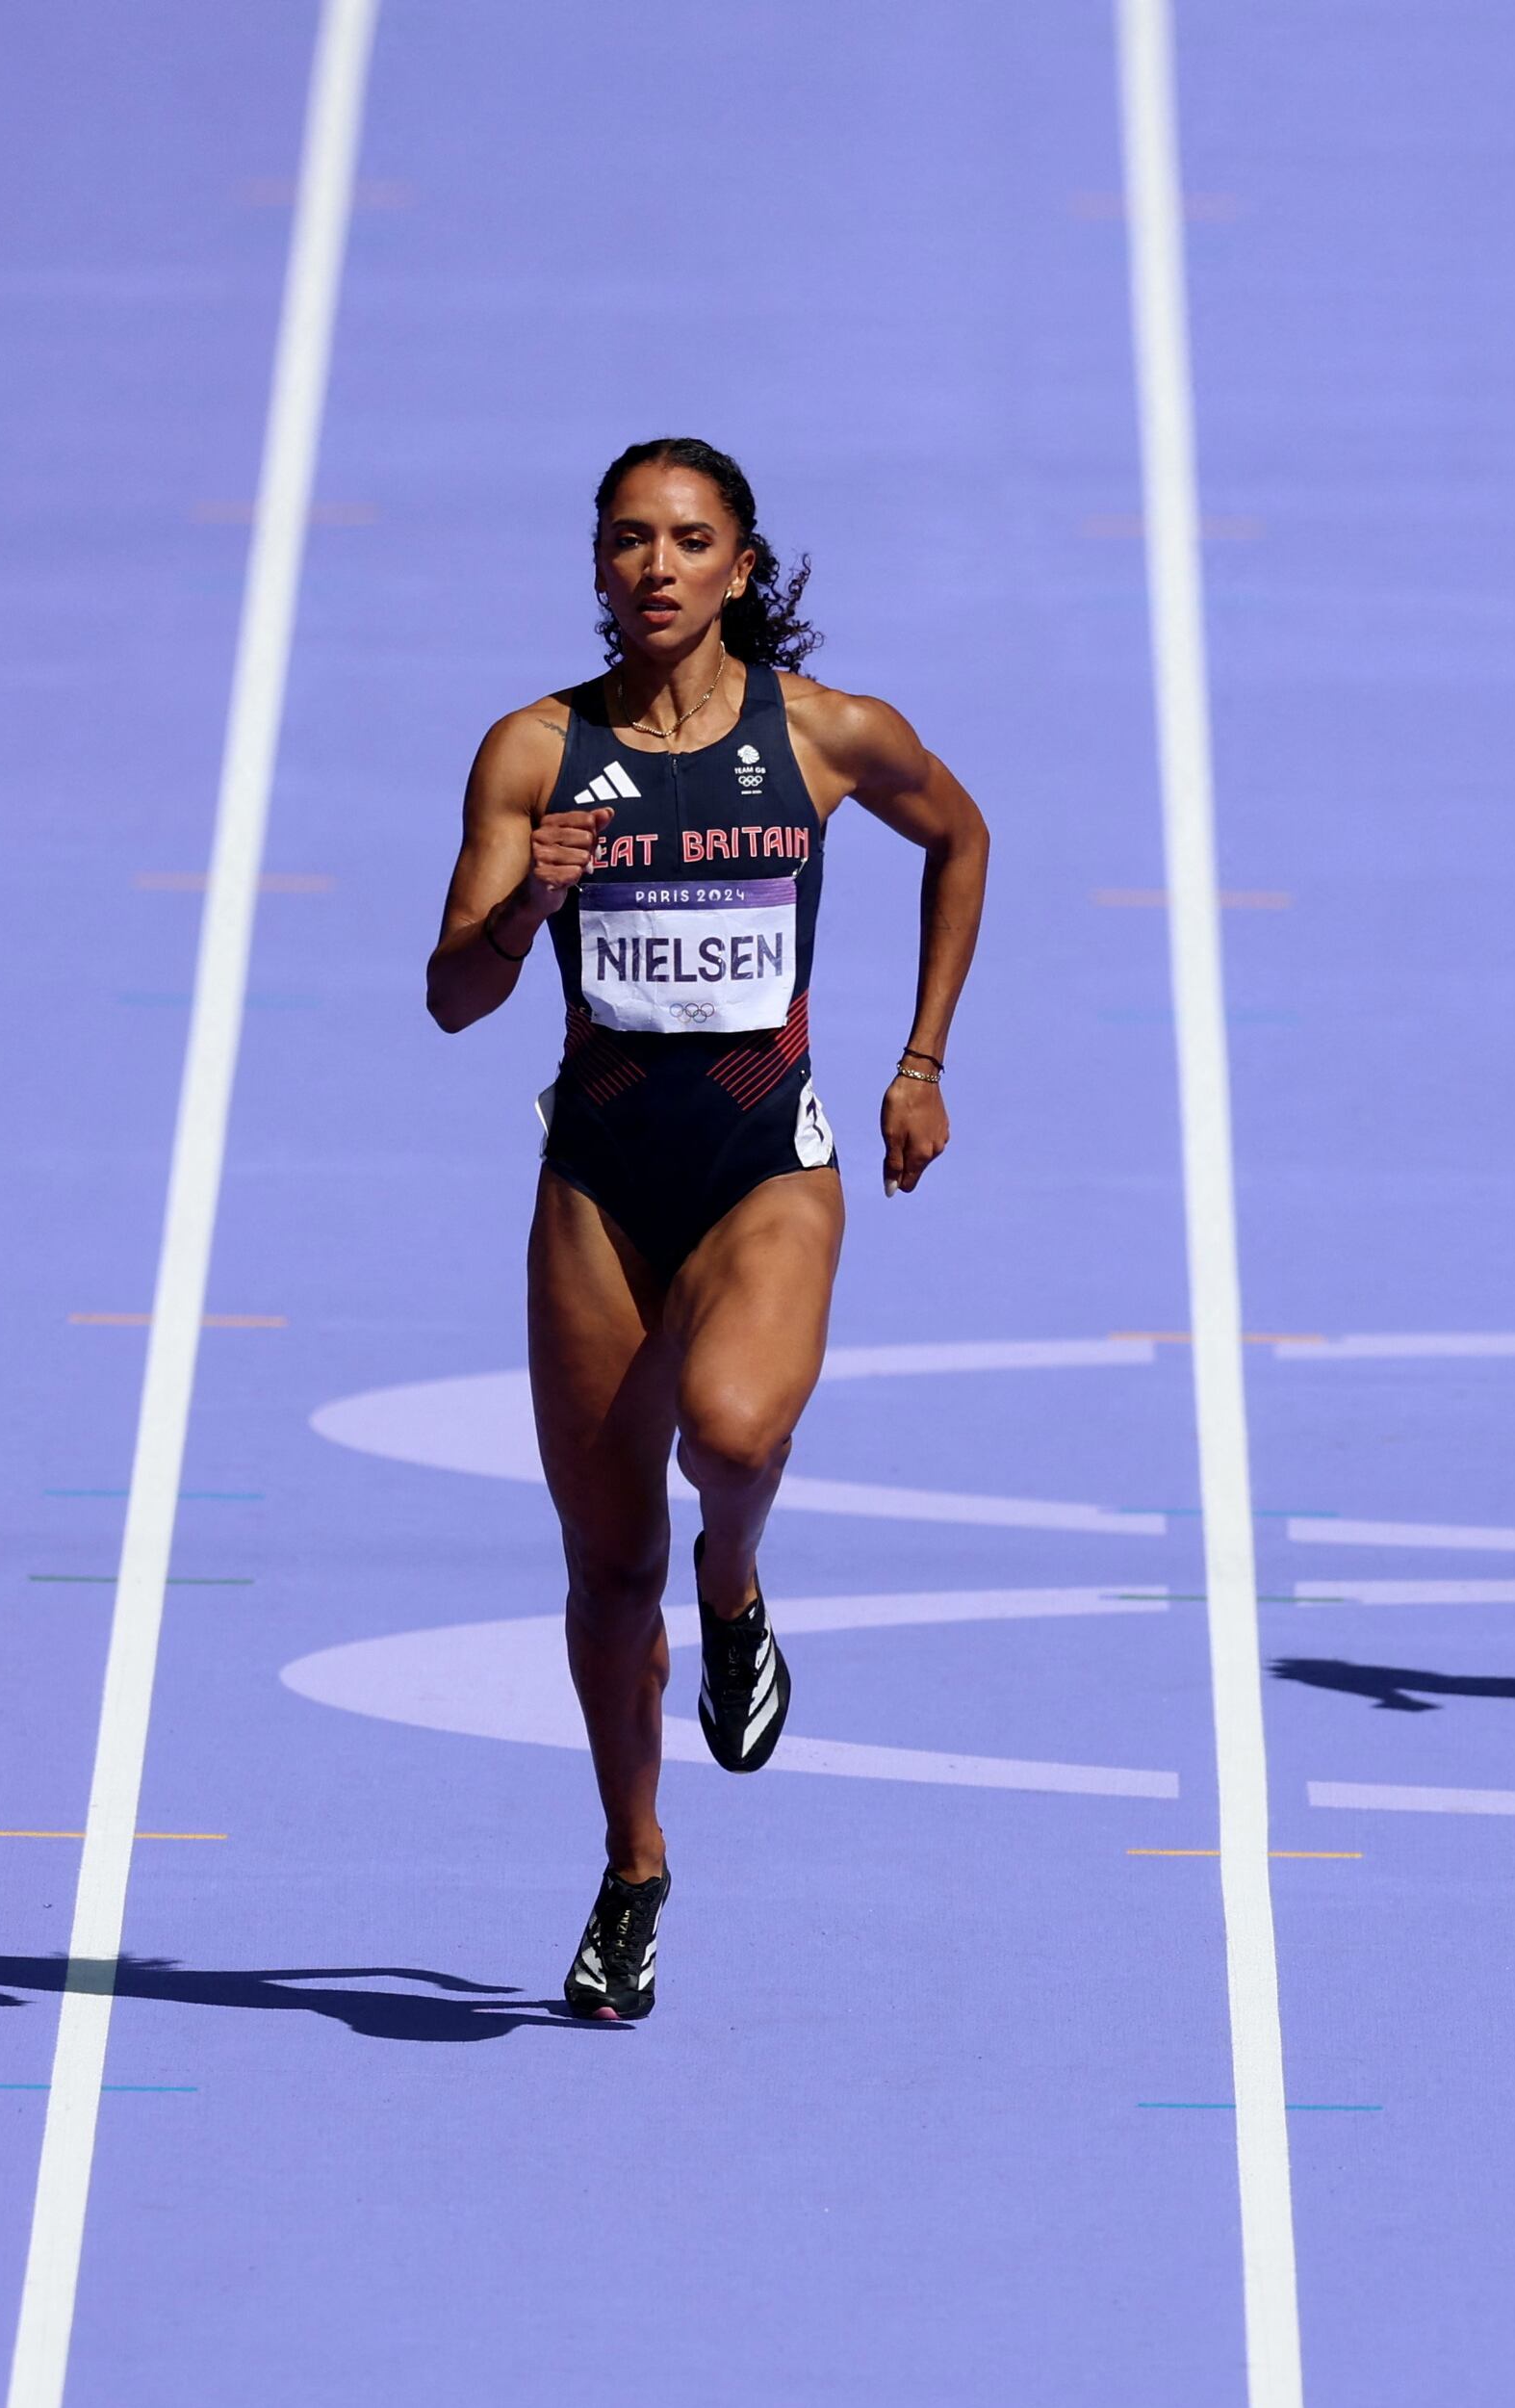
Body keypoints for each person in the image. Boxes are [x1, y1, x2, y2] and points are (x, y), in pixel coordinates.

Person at [423, 438, 989, 2018]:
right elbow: (452, 996)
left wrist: (920, 1060)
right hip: (598, 1186)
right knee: (608, 1567)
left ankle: (734, 1591)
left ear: (744, 564)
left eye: (688, 540)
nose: (656, 567)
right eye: (626, 542)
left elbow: (962, 839)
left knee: (731, 1436)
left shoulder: (824, 736)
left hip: (764, 1167)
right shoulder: (534, 754)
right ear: (597, 569)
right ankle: (632, 1865)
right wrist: (527, 904)